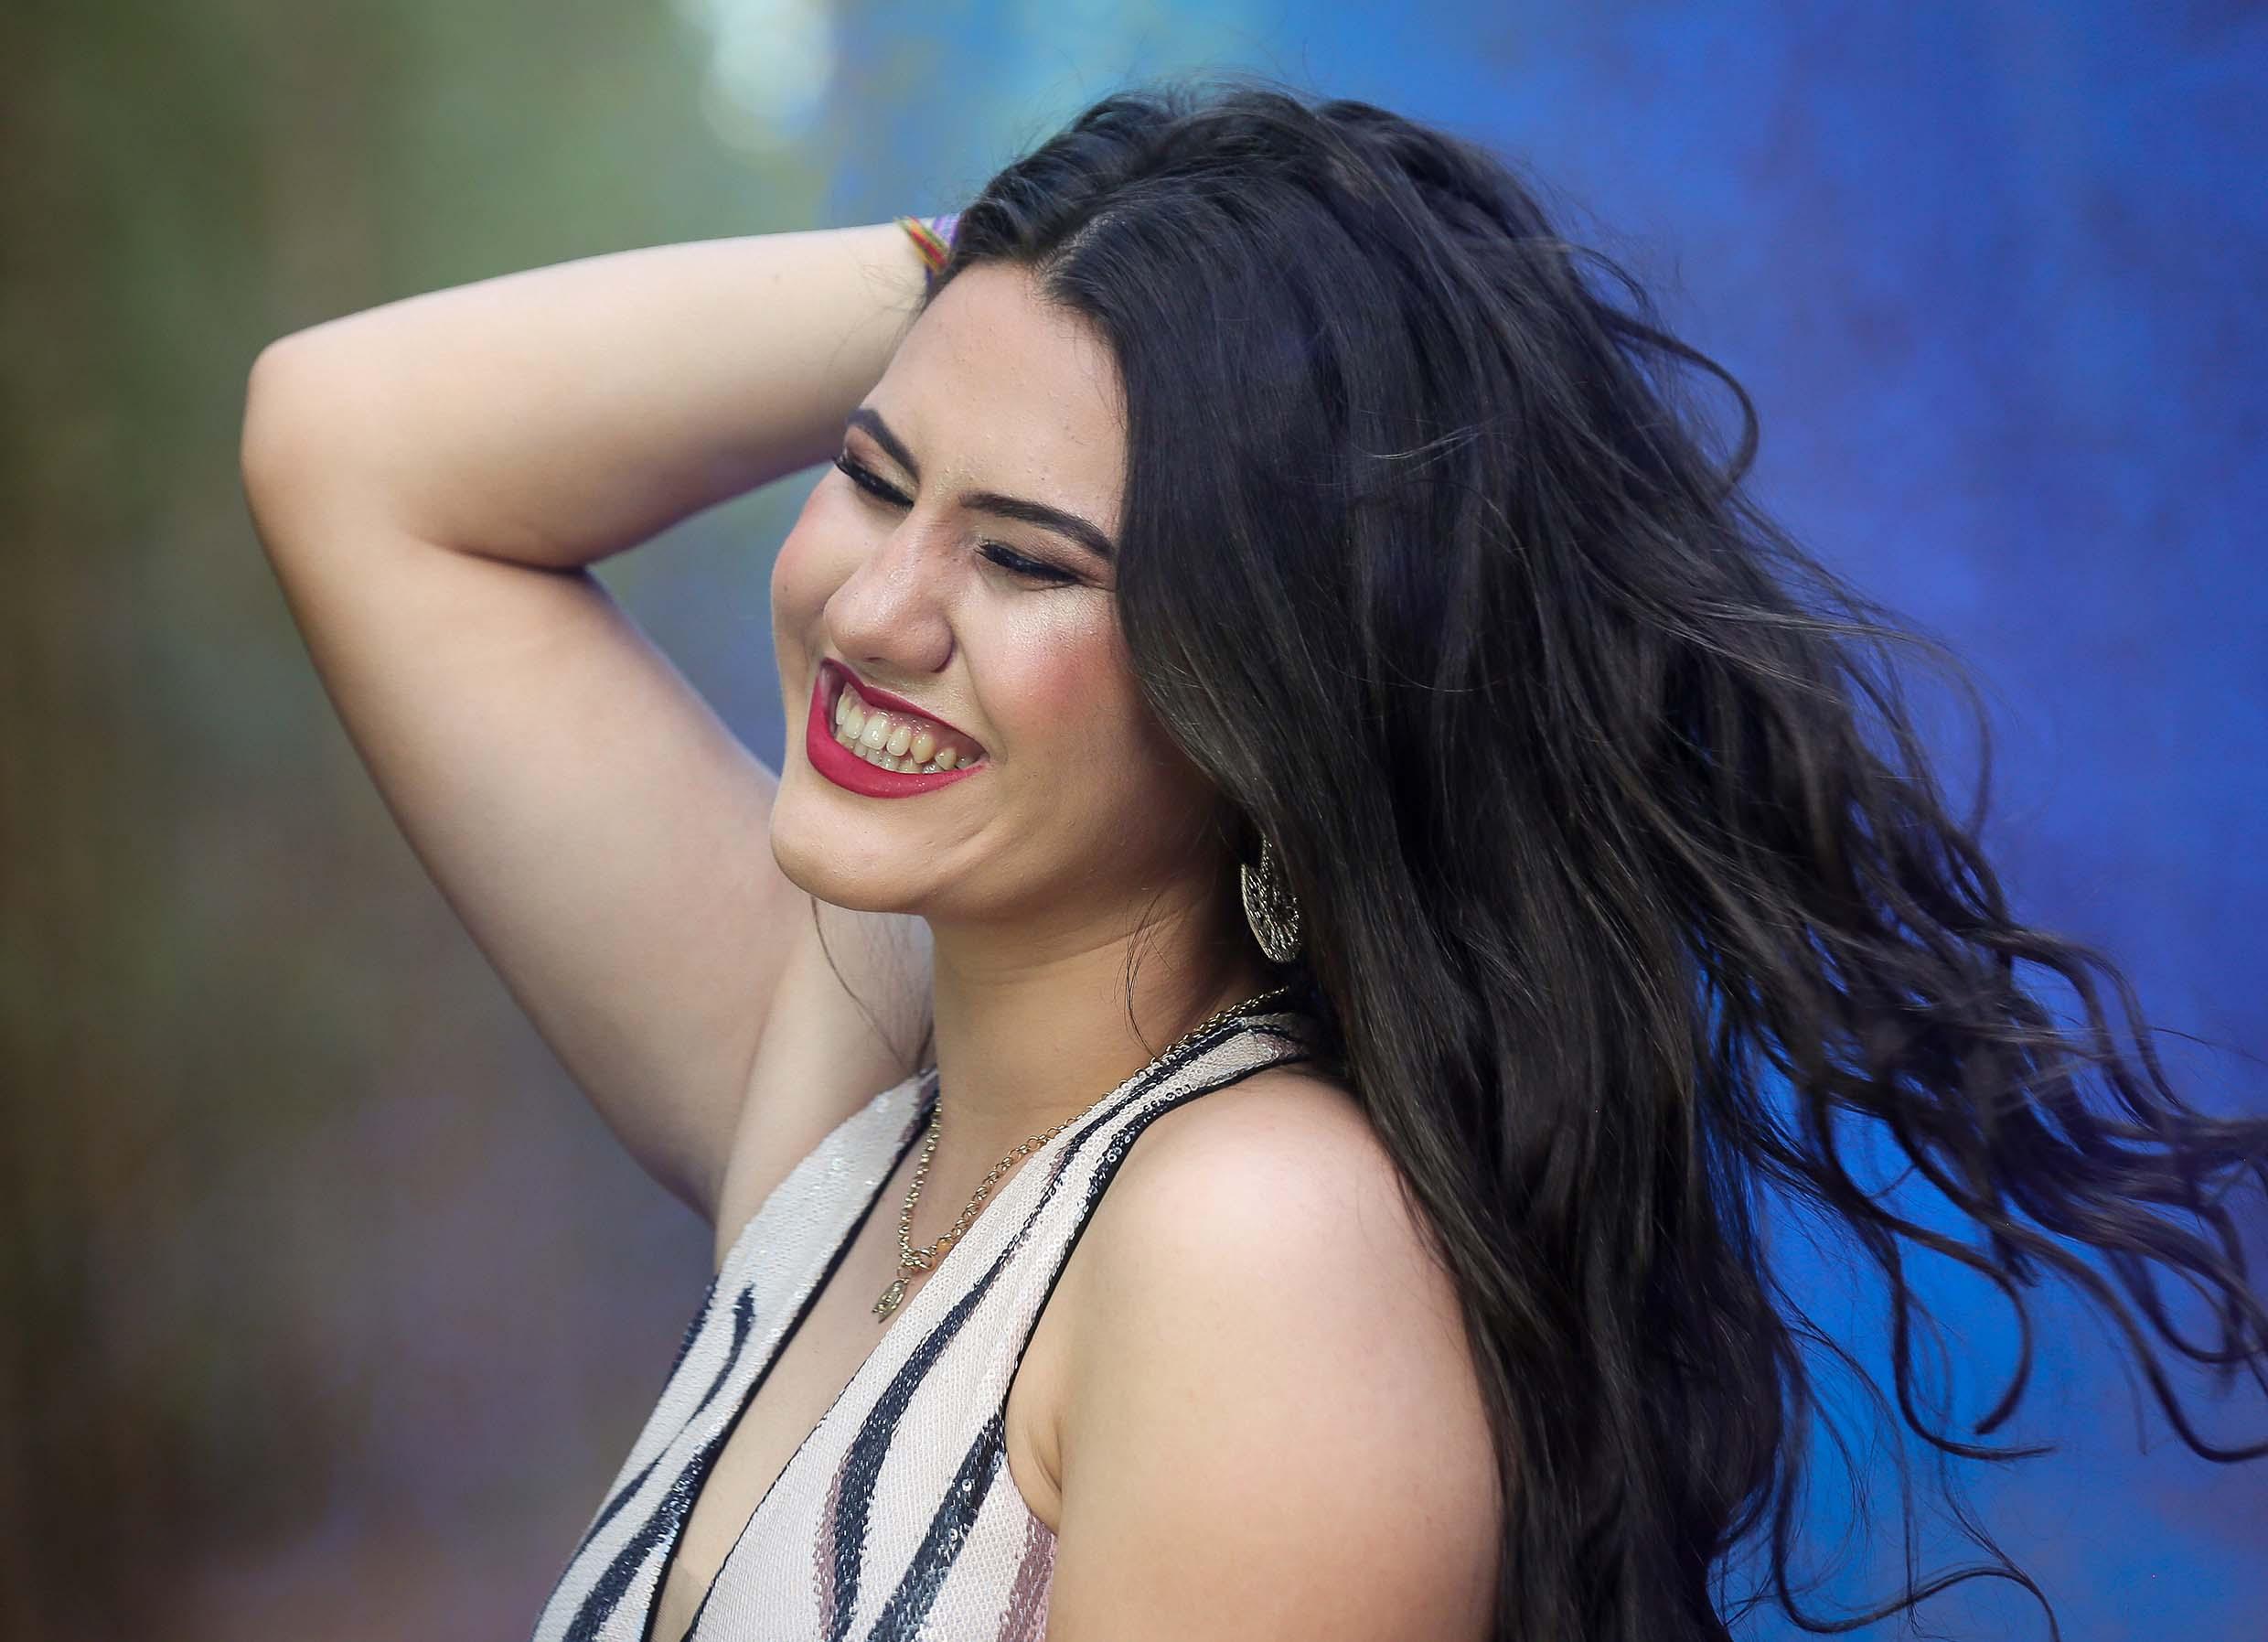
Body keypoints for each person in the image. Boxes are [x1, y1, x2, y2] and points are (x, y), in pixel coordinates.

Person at [238, 72, 2268, 1642]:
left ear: (1262, 687)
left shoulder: (1257, 1245)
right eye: (872, 476)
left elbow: (358, 456)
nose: (873, 610)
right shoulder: (861, 1128)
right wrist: (1047, 251)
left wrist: (1133, 295)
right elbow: (348, 441)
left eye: (1028, 560)